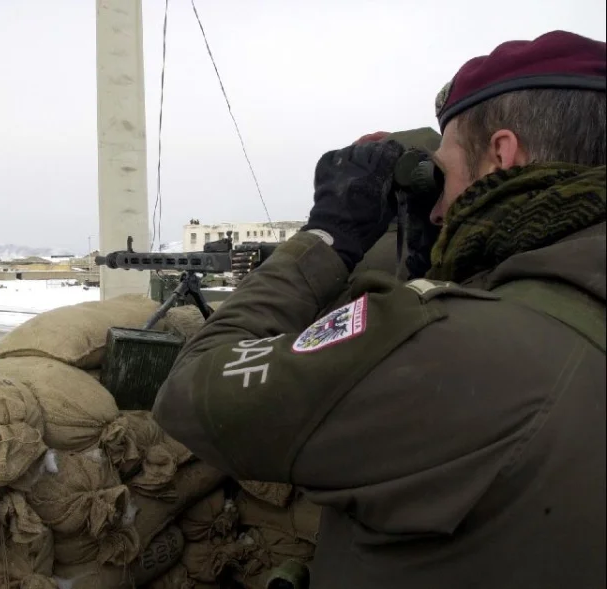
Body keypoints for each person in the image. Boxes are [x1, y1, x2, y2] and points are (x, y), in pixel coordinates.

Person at [153, 29, 606, 589]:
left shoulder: (458, 350)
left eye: (443, 174)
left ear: (502, 154)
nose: (437, 210)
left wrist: (328, 236)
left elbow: (196, 390)